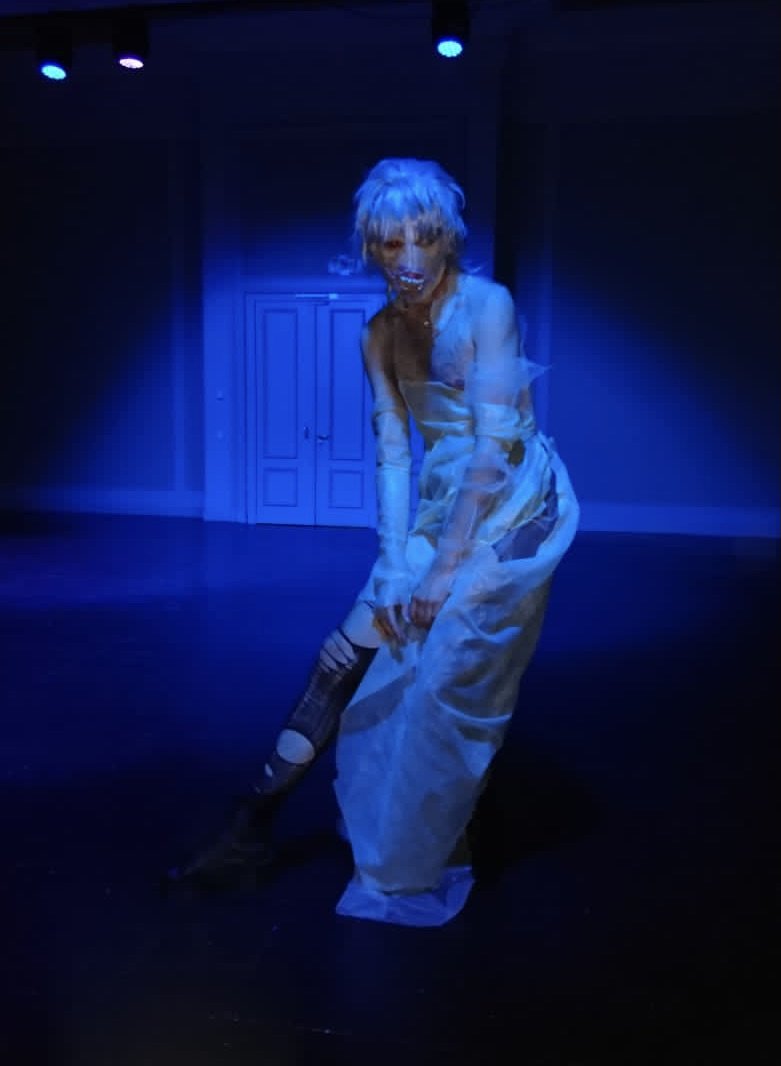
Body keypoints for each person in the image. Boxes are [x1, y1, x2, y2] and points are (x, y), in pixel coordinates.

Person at [166, 158, 579, 926]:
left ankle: (441, 826)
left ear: (447, 239)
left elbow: (492, 450)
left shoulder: (487, 305)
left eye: (424, 238)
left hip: (516, 506)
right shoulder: (380, 335)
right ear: (371, 248)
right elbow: (393, 453)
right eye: (392, 243)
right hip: (442, 506)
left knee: (448, 674)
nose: (409, 259)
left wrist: (440, 573)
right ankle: (250, 825)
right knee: (347, 653)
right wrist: (393, 567)